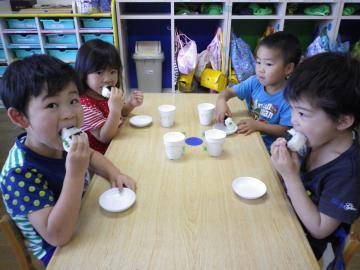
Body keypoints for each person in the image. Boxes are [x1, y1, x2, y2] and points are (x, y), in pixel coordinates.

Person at [0, 55, 136, 267]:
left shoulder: (55, 140)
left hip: (83, 214)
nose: (68, 114)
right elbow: (57, 236)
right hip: (58, 252)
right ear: (20, 117)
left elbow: (91, 155)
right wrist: (74, 173)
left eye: (73, 101)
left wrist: (114, 174)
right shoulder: (19, 173)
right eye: (52, 105)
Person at [270, 52, 360, 269]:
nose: (292, 120)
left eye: (302, 113)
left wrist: (291, 177)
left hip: (301, 248)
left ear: (342, 121)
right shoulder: (315, 138)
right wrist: (282, 165)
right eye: (292, 109)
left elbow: (320, 229)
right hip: (282, 216)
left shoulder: (348, 173)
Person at [215, 31, 302, 150]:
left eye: (269, 64)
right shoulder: (255, 82)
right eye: (258, 62)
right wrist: (221, 101)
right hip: (251, 137)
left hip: (271, 150)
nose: (261, 69)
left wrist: (258, 126)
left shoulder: (290, 98)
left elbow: (285, 131)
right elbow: (228, 92)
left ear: (288, 68)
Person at [75, 39, 143, 154]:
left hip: (119, 140)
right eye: (99, 72)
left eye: (112, 71)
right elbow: (104, 138)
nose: (108, 79)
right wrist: (115, 110)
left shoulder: (103, 93)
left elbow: (121, 113)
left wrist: (130, 104)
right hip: (105, 154)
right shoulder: (85, 106)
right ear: (83, 73)